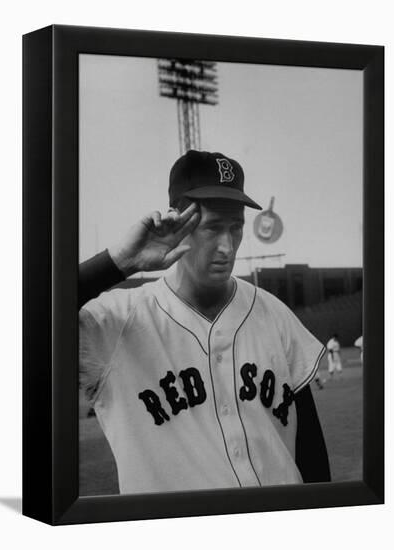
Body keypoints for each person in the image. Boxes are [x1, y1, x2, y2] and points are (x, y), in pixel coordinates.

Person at [79, 150, 330, 494]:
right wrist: (120, 261)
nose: (227, 246)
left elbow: (311, 449)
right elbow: (23, 315)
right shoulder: (115, 321)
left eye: (236, 228)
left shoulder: (273, 312)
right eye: (212, 227)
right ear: (177, 221)